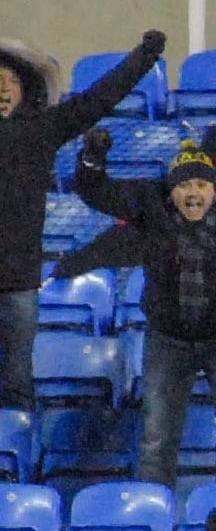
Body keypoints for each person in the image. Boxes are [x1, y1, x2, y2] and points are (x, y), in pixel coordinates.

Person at [59, 138, 216, 486]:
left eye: (201, 184)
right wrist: (92, 158)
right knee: (156, 434)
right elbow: (97, 192)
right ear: (170, 190)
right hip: (168, 339)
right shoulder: (151, 202)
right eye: (184, 184)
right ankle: (155, 501)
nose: (192, 192)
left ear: (215, 188)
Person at [0, 30, 162, 413]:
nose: (3, 89)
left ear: (26, 91)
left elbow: (100, 98)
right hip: (21, 285)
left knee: (18, 382)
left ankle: (13, 462)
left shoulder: (41, 130)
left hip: (19, 282)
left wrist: (144, 57)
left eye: (11, 81)